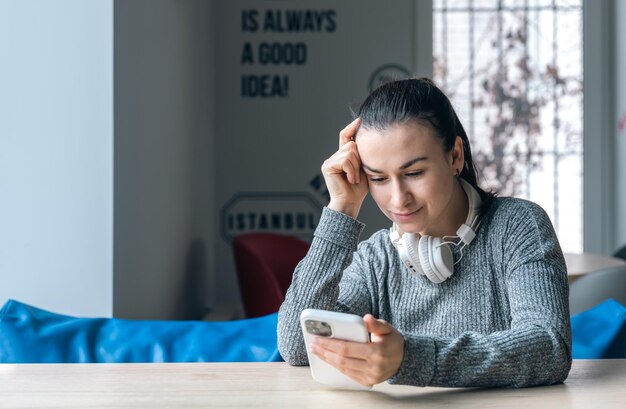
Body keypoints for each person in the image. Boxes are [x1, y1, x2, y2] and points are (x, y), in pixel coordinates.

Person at [277, 78, 571, 388]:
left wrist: (411, 359)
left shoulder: (517, 226)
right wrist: (342, 209)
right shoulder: (376, 259)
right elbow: (297, 345)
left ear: (455, 156)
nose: (398, 198)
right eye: (378, 179)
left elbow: (549, 347)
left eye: (414, 173)